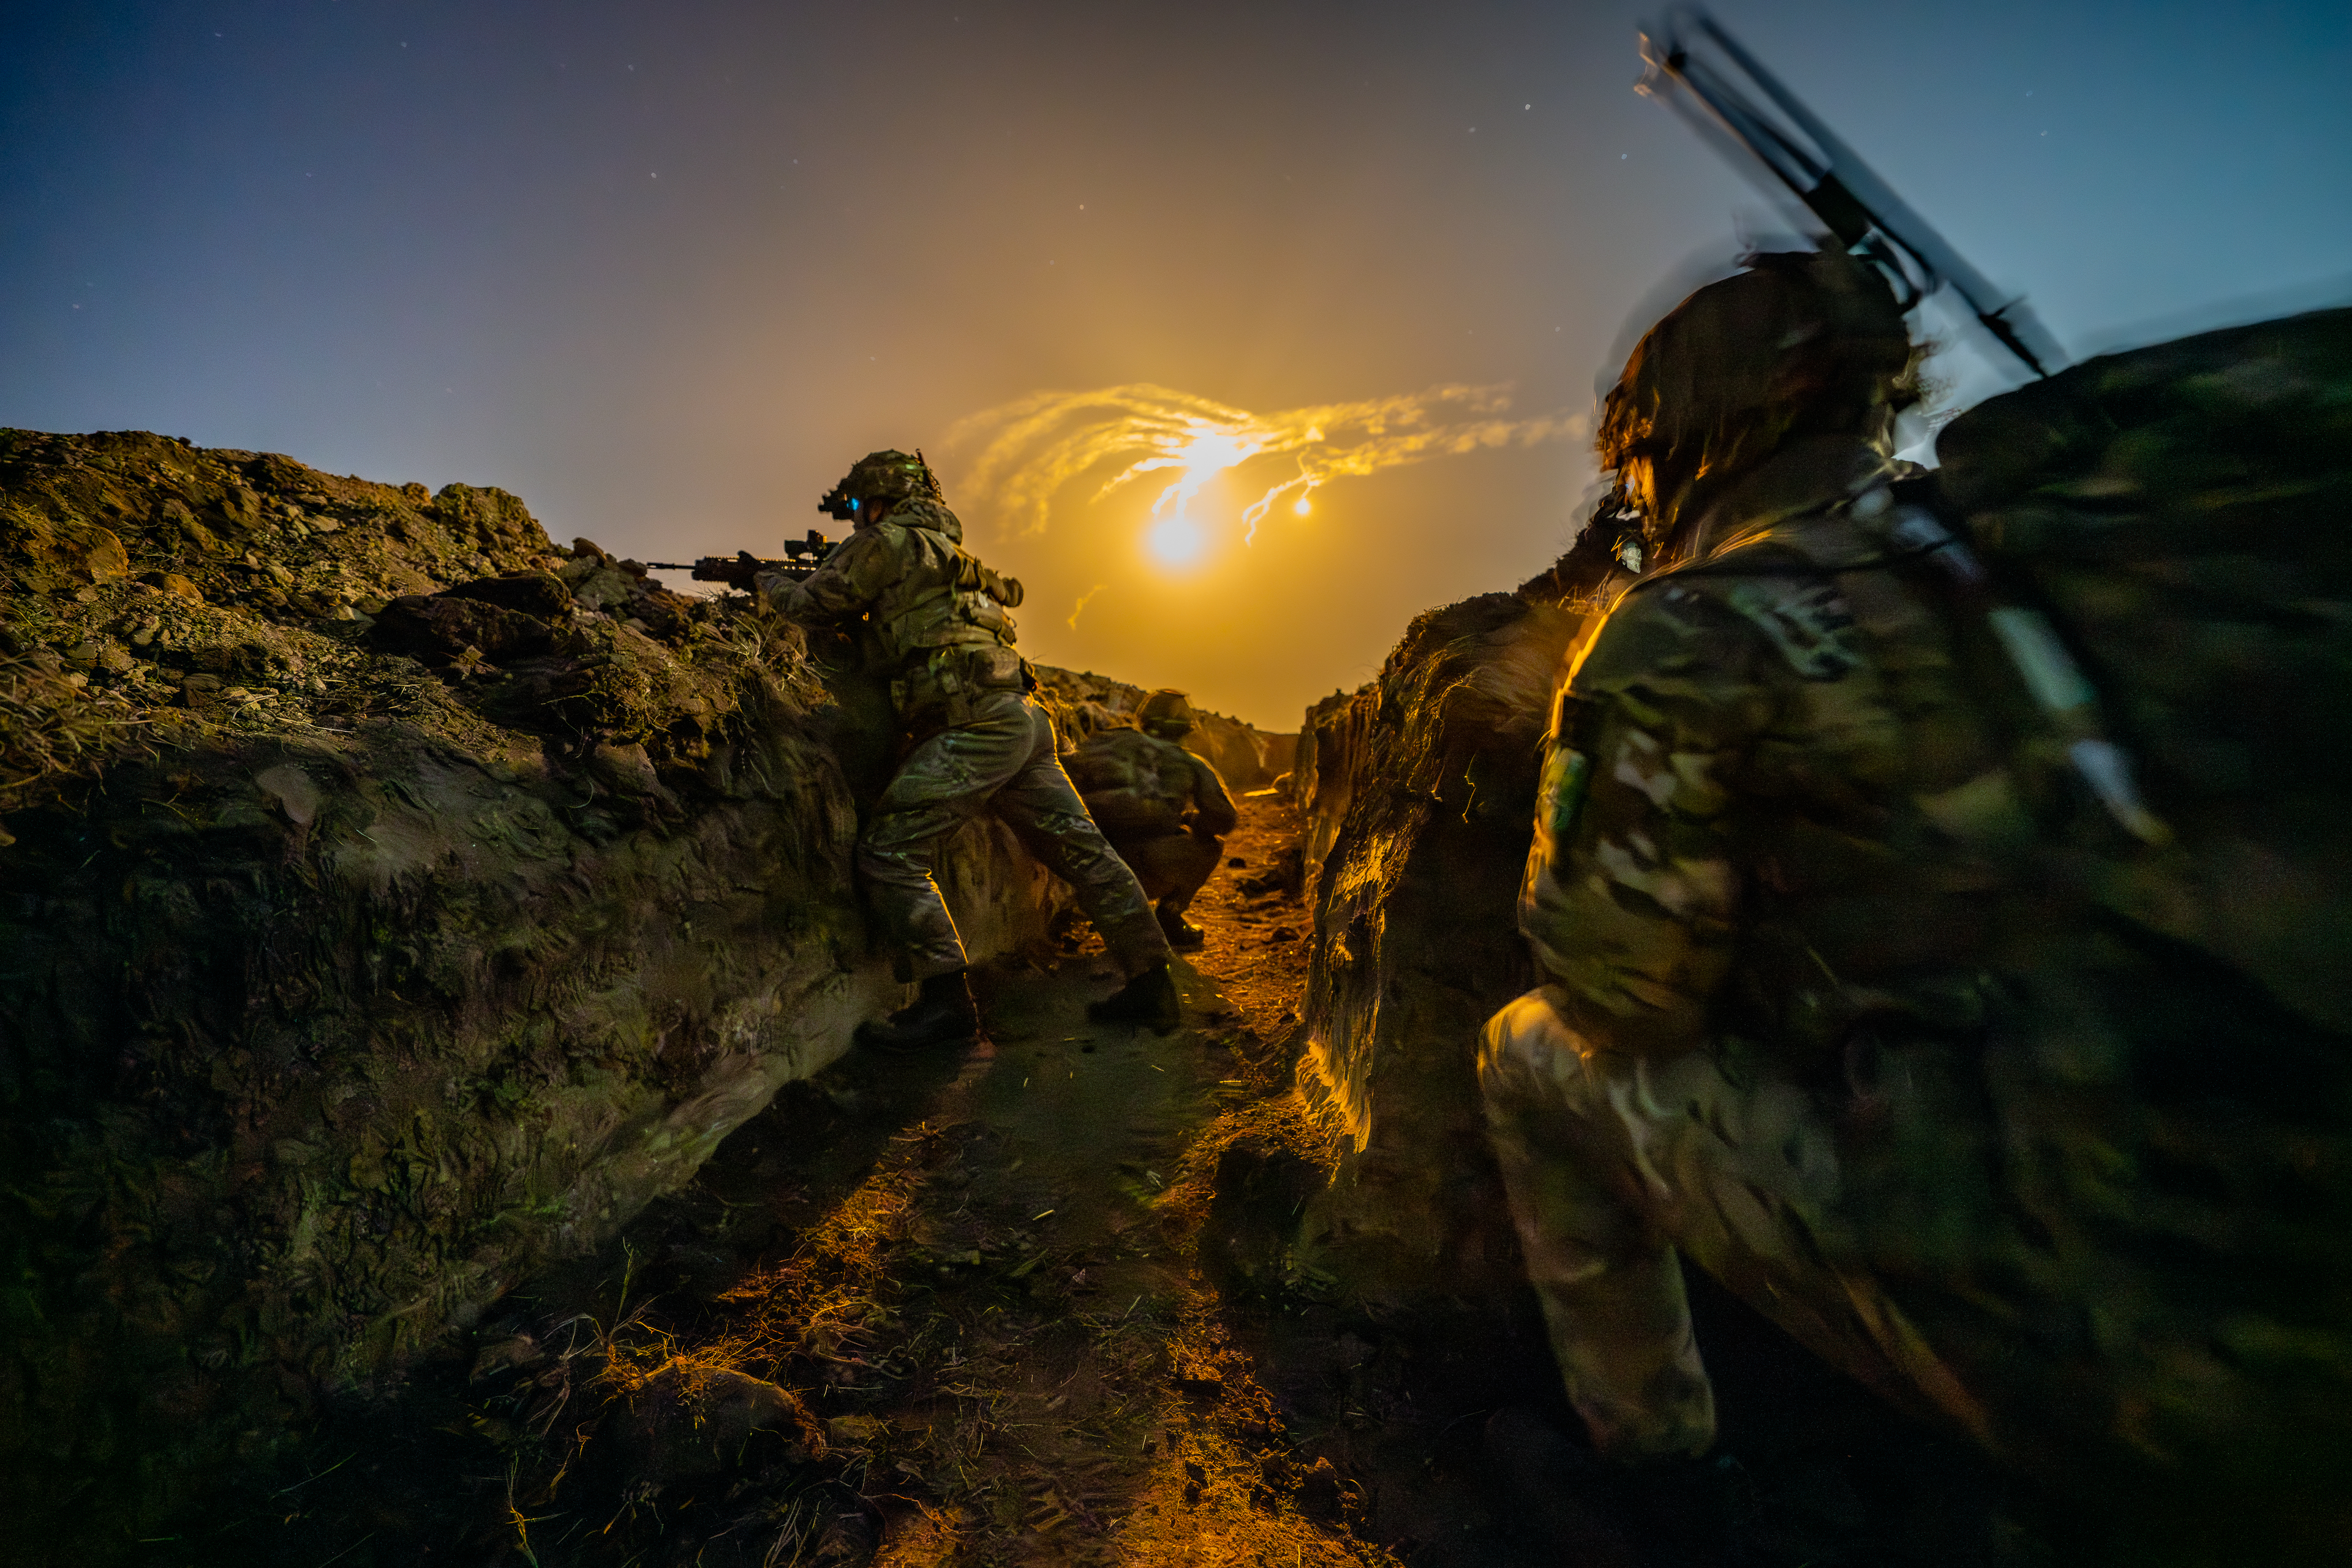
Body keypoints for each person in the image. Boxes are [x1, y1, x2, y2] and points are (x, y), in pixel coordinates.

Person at [1477, 251, 2352, 1550]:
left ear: (1692, 436)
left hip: (2079, 1316)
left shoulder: (1697, 621)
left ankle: (1663, 1488)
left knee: (1527, 1049)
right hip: (2300, 1251)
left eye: (1642, 458)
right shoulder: (2060, 531)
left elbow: (1620, 989)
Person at [758, 449, 1180, 1047]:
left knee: (889, 853)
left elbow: (812, 604)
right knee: (1087, 855)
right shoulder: (956, 560)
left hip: (972, 726)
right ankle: (1154, 986)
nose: (857, 517)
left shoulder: (888, 541)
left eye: (859, 505)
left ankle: (946, 1003)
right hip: (1022, 720)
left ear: (879, 500)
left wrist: (765, 578)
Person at [1065, 689, 1240, 950]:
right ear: (1186, 729)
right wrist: (1191, 821)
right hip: (1150, 864)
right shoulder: (1189, 762)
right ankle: (1170, 917)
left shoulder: (1100, 745)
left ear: (1143, 720)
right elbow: (1224, 818)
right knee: (1211, 846)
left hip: (1090, 865)